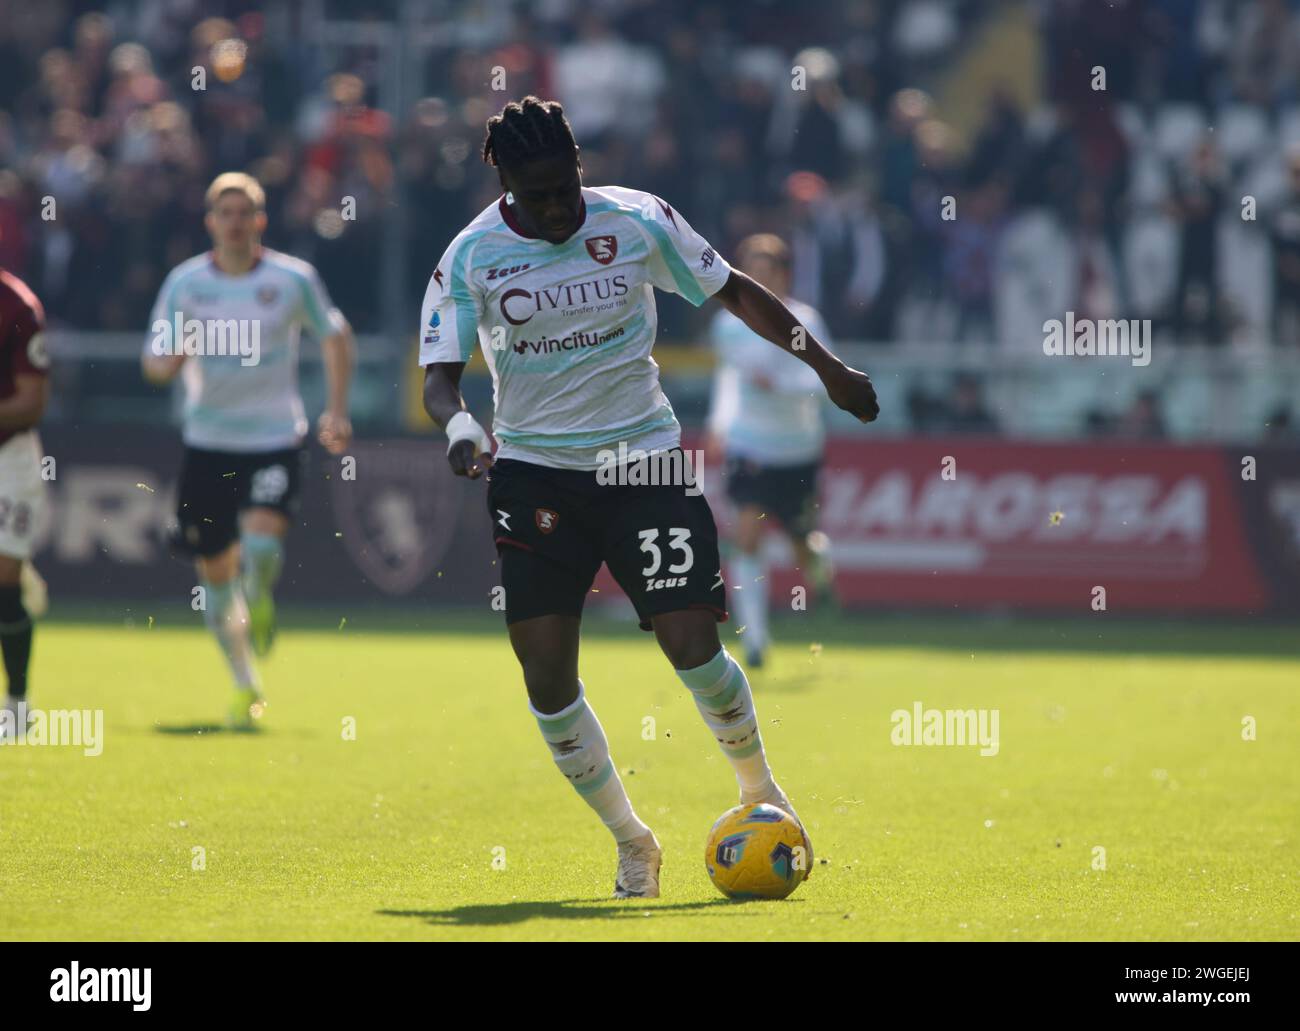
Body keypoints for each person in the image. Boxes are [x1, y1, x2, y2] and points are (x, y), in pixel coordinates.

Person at [419, 97, 879, 898]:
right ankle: (633, 840)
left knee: (691, 641)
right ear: (505, 184)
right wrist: (460, 425)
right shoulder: (469, 257)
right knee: (545, 675)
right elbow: (438, 378)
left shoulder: (638, 220)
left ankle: (760, 790)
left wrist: (827, 366)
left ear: (579, 169)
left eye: (566, 186)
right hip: (534, 473)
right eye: (539, 194)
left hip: (645, 459)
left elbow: (733, 291)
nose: (558, 207)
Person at [142, 172, 354, 729]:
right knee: (214, 575)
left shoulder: (290, 279)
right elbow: (154, 359)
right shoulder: (185, 284)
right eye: (224, 214)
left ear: (260, 221)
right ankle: (244, 683)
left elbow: (334, 334)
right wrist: (170, 360)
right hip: (208, 444)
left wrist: (335, 409)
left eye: (245, 213)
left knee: (259, 548)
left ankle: (259, 597)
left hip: (273, 439)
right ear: (210, 222)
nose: (235, 223)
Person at [706, 233, 836, 669]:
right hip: (749, 445)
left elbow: (825, 380)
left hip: (798, 448)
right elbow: (730, 378)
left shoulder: (806, 321)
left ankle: (820, 572)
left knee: (802, 544)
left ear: (784, 275)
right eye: (751, 273)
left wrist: (780, 386)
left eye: (767, 273)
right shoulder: (727, 324)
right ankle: (756, 640)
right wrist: (719, 424)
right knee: (746, 536)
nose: (757, 281)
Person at [0, 267, 50, 741]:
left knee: (3, 584)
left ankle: (17, 703)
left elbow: (32, 401)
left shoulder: (18, 308)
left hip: (8, 455)